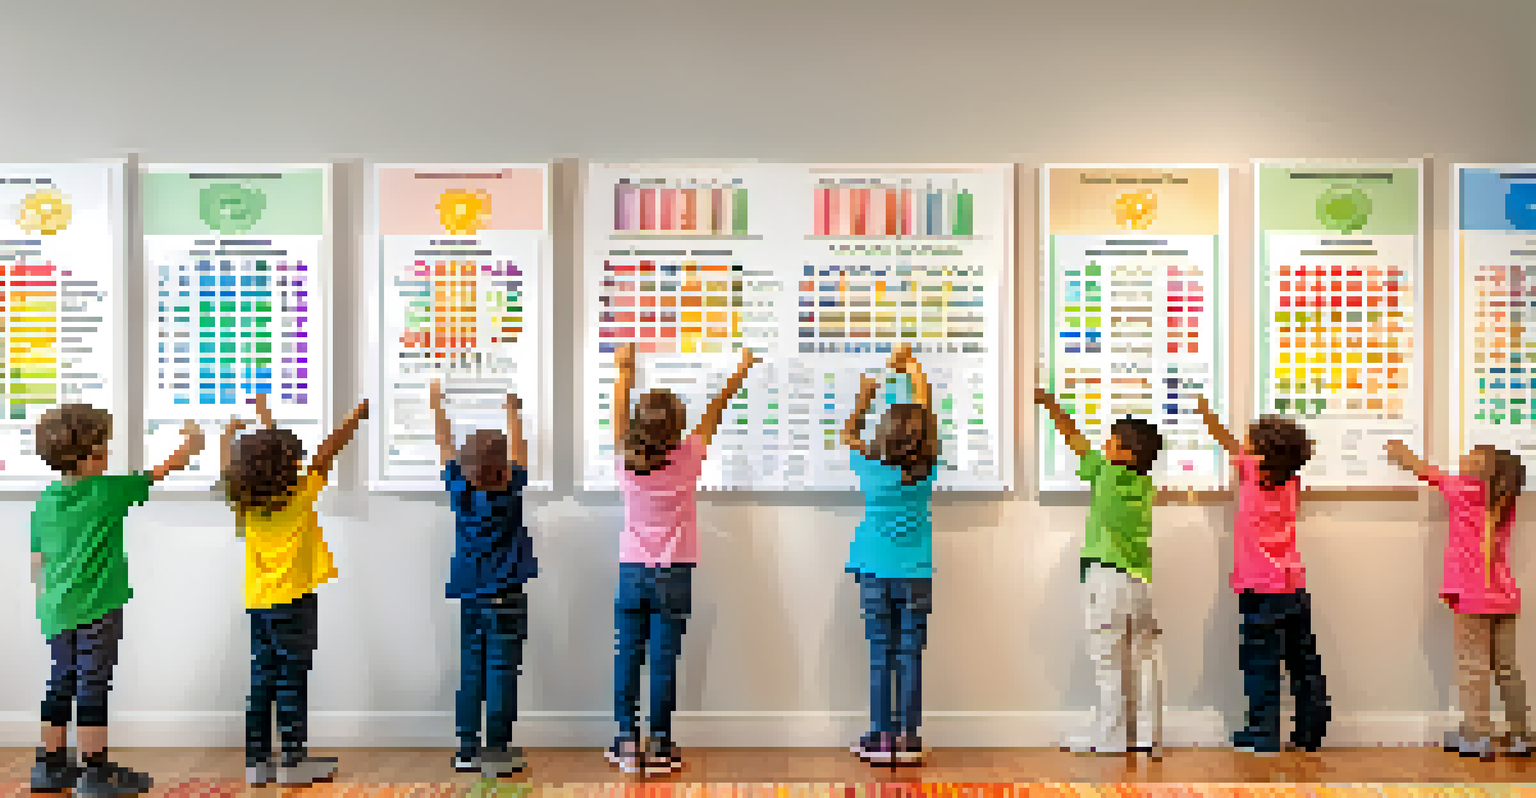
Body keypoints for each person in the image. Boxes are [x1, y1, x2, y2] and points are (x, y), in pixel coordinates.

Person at [29, 405, 204, 795]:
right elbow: (161, 471)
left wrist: (42, 606)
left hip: (55, 610)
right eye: (103, 448)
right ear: (88, 456)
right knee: (93, 684)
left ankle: (50, 766)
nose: (108, 454)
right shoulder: (107, 491)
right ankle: (94, 772)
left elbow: (37, 560)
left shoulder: (44, 502)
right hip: (97, 609)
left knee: (61, 681)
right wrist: (191, 444)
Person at [608, 342, 757, 776]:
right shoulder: (688, 457)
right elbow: (717, 409)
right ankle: (661, 744)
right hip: (673, 574)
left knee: (628, 656)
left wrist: (626, 369)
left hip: (632, 572)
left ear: (638, 425)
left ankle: (625, 739)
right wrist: (741, 370)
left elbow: (619, 405)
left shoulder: (625, 459)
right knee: (664, 659)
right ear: (677, 428)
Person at [220, 394, 369, 785]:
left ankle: (257, 762)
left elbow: (237, 463)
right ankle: (293, 758)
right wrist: (354, 416)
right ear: (288, 466)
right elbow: (327, 451)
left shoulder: (243, 500)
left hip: (259, 603)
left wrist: (243, 427)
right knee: (291, 679)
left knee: (261, 677)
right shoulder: (298, 494)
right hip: (294, 603)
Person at [1035, 389, 1165, 759]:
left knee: (1108, 662)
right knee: (1138, 661)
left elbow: (1075, 440)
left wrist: (1051, 407)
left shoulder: (1107, 474)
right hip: (1139, 582)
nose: (1104, 443)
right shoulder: (1144, 485)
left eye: (1112, 439)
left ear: (1125, 453)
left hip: (1107, 580)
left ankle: (1109, 736)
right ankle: (1142, 735)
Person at [1196, 397, 1329, 754]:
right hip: (1293, 587)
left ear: (1260, 456)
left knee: (1261, 664)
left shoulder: (1253, 475)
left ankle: (1264, 735)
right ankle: (1309, 734)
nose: (1244, 445)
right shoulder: (1292, 484)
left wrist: (1209, 416)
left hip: (1260, 589)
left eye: (1250, 441)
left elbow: (1226, 443)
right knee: (1304, 663)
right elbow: (1241, 448)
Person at [1385, 439, 1529, 760]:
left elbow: (1425, 472)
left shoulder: (1464, 491)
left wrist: (1403, 455)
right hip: (1504, 595)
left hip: (1473, 595)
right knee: (1506, 667)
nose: (1462, 458)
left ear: (1478, 470)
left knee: (1471, 666)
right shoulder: (1505, 499)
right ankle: (1521, 733)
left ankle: (1478, 734)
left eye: (1469, 456)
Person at [429, 379, 537, 778]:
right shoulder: (512, 488)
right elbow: (520, 451)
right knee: (502, 671)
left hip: (472, 596)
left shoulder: (461, 491)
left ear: (465, 465)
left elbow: (444, 445)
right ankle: (497, 748)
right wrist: (513, 412)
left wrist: (436, 405)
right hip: (508, 596)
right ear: (504, 465)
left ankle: (466, 747)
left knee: (471, 669)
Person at [841, 344, 940, 766]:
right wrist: (913, 368)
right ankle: (909, 738)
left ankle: (881, 738)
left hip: (874, 574)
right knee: (910, 654)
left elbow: (847, 433)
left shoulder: (870, 466)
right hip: (916, 573)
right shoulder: (926, 469)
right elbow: (928, 415)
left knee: (881, 653)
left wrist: (865, 397)